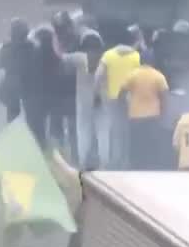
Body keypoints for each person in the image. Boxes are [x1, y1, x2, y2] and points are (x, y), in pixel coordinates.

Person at [95, 39, 142, 168]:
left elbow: (98, 75)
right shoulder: (136, 56)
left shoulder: (108, 55)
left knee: (116, 130)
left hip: (112, 98)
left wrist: (97, 92)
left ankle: (115, 160)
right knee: (127, 130)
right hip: (131, 98)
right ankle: (126, 161)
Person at [64, 29, 104, 169]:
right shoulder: (105, 58)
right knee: (101, 131)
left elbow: (61, 57)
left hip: (83, 101)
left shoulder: (79, 57)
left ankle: (83, 161)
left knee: (83, 131)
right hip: (100, 100)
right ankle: (102, 161)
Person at [120, 60, 170, 168]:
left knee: (136, 143)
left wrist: (124, 107)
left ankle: (136, 165)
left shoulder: (132, 74)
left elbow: (122, 91)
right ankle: (151, 165)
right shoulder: (159, 76)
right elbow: (164, 97)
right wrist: (163, 113)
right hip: (153, 116)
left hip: (135, 115)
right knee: (151, 142)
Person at [26, 28, 65, 148]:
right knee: (56, 120)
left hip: (38, 93)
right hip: (55, 92)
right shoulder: (57, 54)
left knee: (38, 122)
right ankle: (59, 144)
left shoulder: (33, 54)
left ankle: (41, 145)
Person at [0, 18, 34, 122]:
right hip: (29, 82)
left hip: (11, 83)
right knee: (32, 114)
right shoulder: (30, 46)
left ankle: (15, 135)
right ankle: (35, 135)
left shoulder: (6, 47)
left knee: (13, 115)